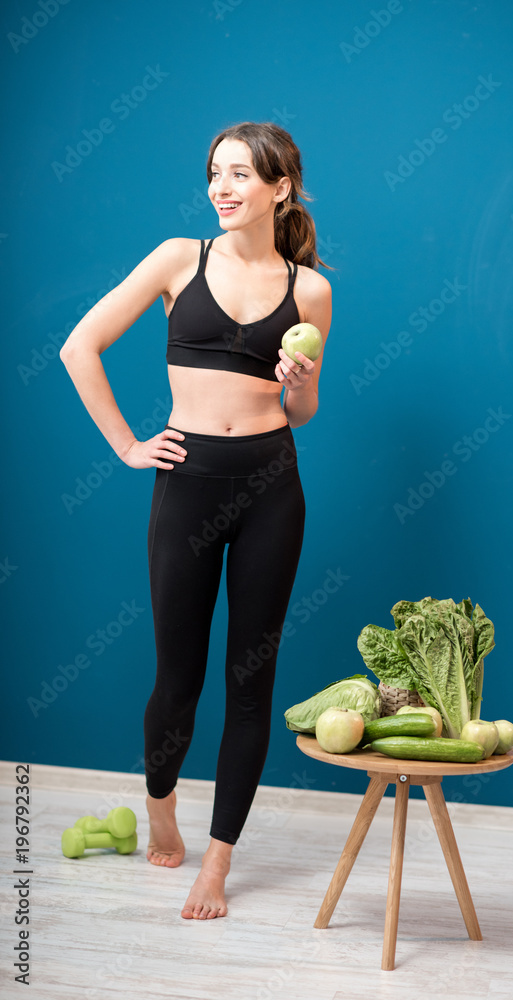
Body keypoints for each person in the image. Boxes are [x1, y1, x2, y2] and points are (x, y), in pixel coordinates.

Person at [59, 121, 333, 920]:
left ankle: (216, 864)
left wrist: (298, 380)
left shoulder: (308, 290)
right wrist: (127, 446)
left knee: (250, 685)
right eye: (215, 172)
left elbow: (304, 412)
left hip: (272, 486)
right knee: (177, 683)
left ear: (280, 188)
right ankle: (161, 802)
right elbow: (81, 347)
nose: (221, 187)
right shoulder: (182, 259)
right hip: (187, 485)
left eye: (241, 174)